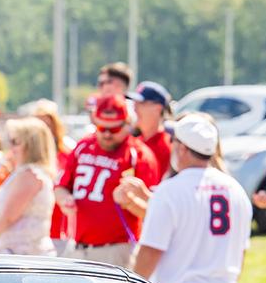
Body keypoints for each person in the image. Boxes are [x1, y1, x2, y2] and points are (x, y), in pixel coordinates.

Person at [133, 114, 256, 283]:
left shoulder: (170, 190)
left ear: (181, 148)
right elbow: (240, 256)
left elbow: (150, 253)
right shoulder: (234, 190)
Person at [55, 93, 158, 268]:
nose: (107, 135)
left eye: (114, 129)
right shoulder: (83, 146)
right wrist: (64, 200)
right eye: (102, 128)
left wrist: (130, 203)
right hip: (78, 247)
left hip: (116, 250)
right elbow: (62, 186)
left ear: (128, 124)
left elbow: (154, 215)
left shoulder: (138, 155)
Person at [0, 117, 56, 256]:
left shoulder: (29, 175)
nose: (10, 147)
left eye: (15, 142)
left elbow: (6, 218)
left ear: (31, 145)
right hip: (16, 255)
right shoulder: (25, 173)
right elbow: (5, 210)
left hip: (23, 257)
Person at [30, 99, 72, 253]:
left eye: (48, 126)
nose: (44, 132)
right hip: (33, 231)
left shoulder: (67, 156)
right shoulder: (25, 161)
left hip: (59, 231)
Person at [128, 81, 173, 180]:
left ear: (158, 108)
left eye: (141, 103)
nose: (134, 108)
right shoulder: (132, 142)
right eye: (134, 102)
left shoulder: (167, 147)